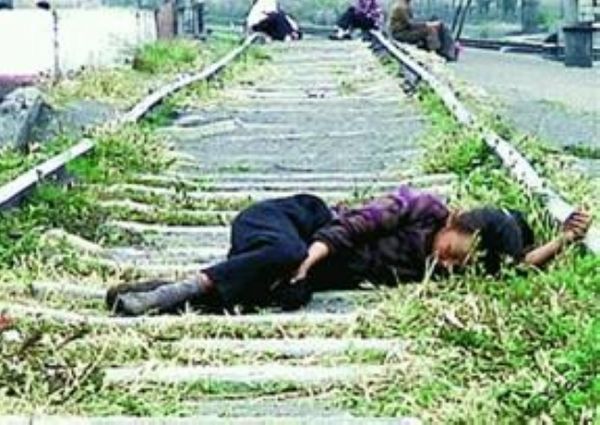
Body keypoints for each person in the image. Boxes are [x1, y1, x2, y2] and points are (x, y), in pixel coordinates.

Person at [106, 186, 592, 316]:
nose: (446, 263)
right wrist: (308, 262)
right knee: (285, 259)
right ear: (453, 221)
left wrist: (563, 239)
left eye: (458, 264)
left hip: (295, 262)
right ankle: (180, 287)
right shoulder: (422, 208)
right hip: (290, 222)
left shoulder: (446, 266)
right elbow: (355, 225)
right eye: (451, 250)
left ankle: (153, 295)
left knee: (266, 296)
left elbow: (512, 270)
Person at [389, 0, 458, 61]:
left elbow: (411, 22)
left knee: (434, 21)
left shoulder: (405, 5)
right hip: (400, 34)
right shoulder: (400, 7)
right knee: (430, 30)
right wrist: (427, 24)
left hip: (405, 30)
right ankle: (436, 53)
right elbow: (411, 24)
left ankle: (445, 50)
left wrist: (428, 23)